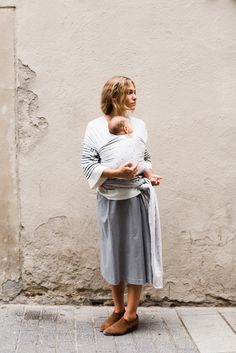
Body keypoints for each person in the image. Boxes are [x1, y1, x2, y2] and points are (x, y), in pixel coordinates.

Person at [81, 76, 163, 336]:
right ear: (114, 97)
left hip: (136, 199)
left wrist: (149, 173)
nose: (135, 97)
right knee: (113, 253)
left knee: (134, 255)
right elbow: (88, 165)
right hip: (109, 200)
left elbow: (144, 157)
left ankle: (131, 314)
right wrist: (117, 172)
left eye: (135, 91)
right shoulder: (95, 128)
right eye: (129, 93)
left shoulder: (139, 125)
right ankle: (117, 309)